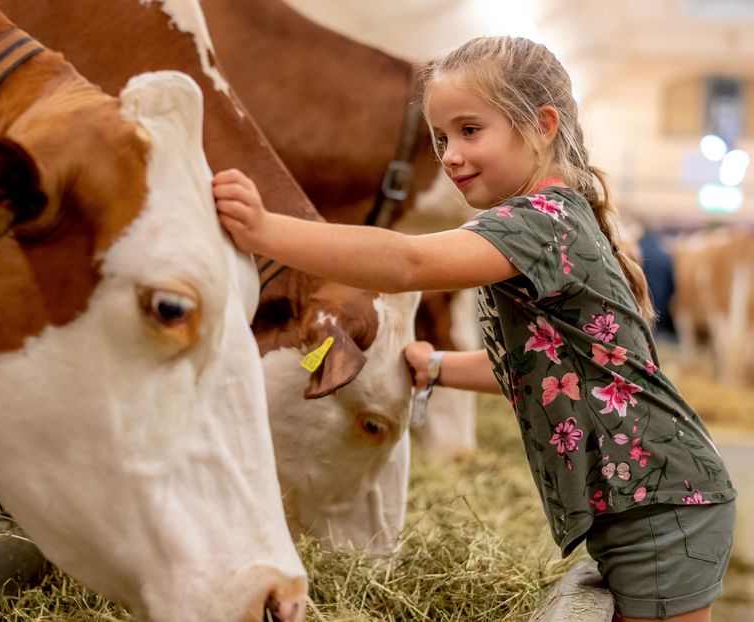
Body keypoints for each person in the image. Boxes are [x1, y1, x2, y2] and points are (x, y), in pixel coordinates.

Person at [213, 35, 736, 622]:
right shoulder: (557, 221)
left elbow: (407, 263)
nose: (450, 155)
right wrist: (436, 368)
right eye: (440, 138)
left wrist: (267, 233)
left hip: (661, 501)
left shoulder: (540, 222)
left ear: (540, 125)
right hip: (653, 496)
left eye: (469, 130)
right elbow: (545, 371)